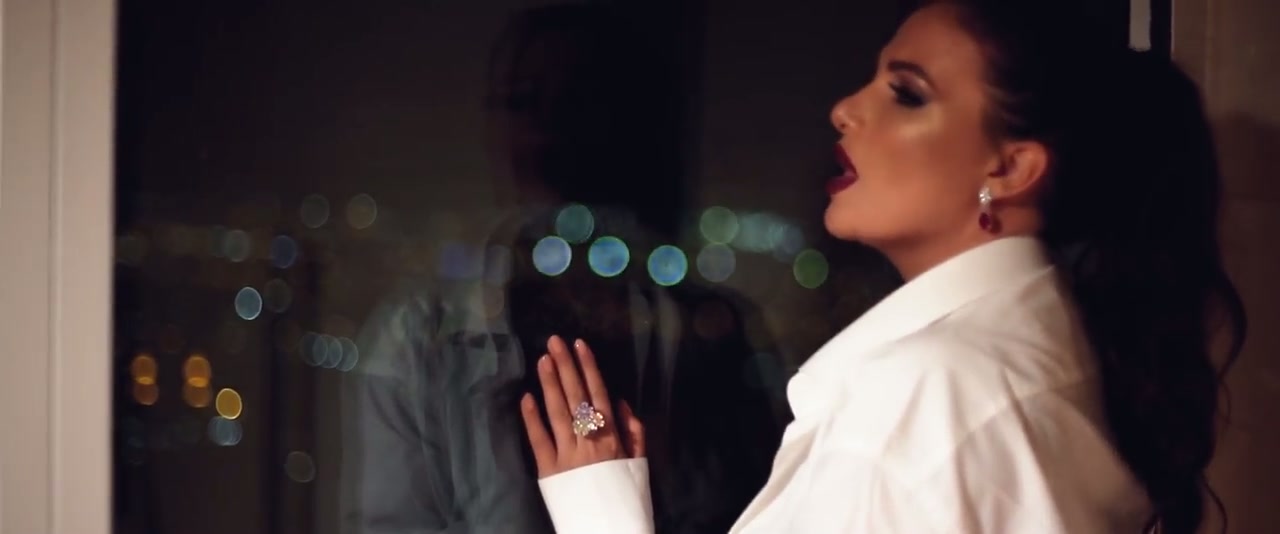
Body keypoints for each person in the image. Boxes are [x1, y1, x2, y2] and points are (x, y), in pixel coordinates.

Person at [519, 1, 1248, 533]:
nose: (844, 108)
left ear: (1011, 167)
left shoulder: (922, 398)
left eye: (906, 94)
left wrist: (600, 517)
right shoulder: (1037, 359)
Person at [339, 5, 786, 534]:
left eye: (579, 100)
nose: (549, 128)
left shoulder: (713, 333)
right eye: (524, 101)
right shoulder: (417, 336)